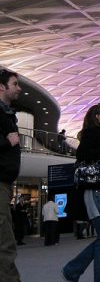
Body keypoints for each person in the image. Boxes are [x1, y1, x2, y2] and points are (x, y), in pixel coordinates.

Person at [62, 103, 100, 282]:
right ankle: (81, 272)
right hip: (95, 190)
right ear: (97, 116)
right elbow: (82, 154)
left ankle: (73, 270)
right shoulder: (92, 133)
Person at [0, 68, 22, 282]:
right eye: (15, 84)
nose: (19, 88)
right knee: (5, 243)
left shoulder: (7, 113)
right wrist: (7, 142)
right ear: (2, 86)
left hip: (5, 183)